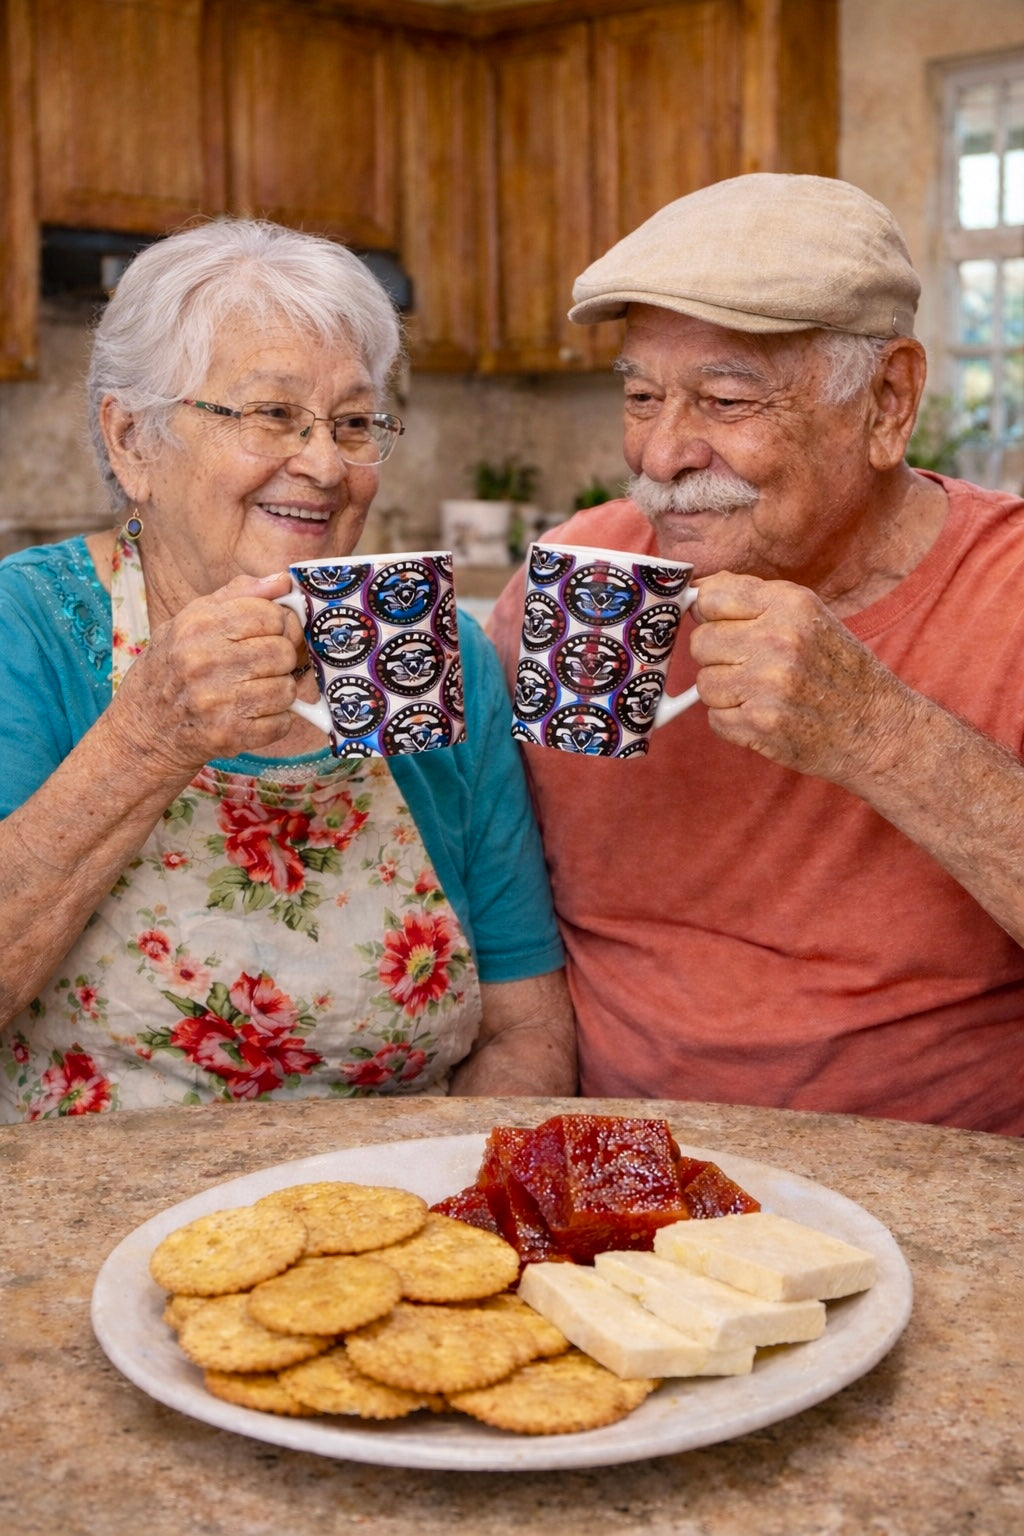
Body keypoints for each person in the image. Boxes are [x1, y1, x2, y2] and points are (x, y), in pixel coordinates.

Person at [0, 218, 576, 1121]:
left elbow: (526, 1027)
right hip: (97, 1199)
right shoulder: (26, 628)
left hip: (389, 1194)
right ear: (132, 442)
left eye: (353, 423)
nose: (324, 465)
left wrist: (448, 1184)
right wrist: (148, 738)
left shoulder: (431, 650)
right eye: (273, 414)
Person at [489, 173, 1024, 1136]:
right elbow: (474, 881)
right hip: (617, 1178)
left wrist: (879, 733)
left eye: (726, 399)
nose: (660, 455)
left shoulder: (1008, 592)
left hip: (930, 1181)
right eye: (641, 396)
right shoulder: (579, 584)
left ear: (887, 402)